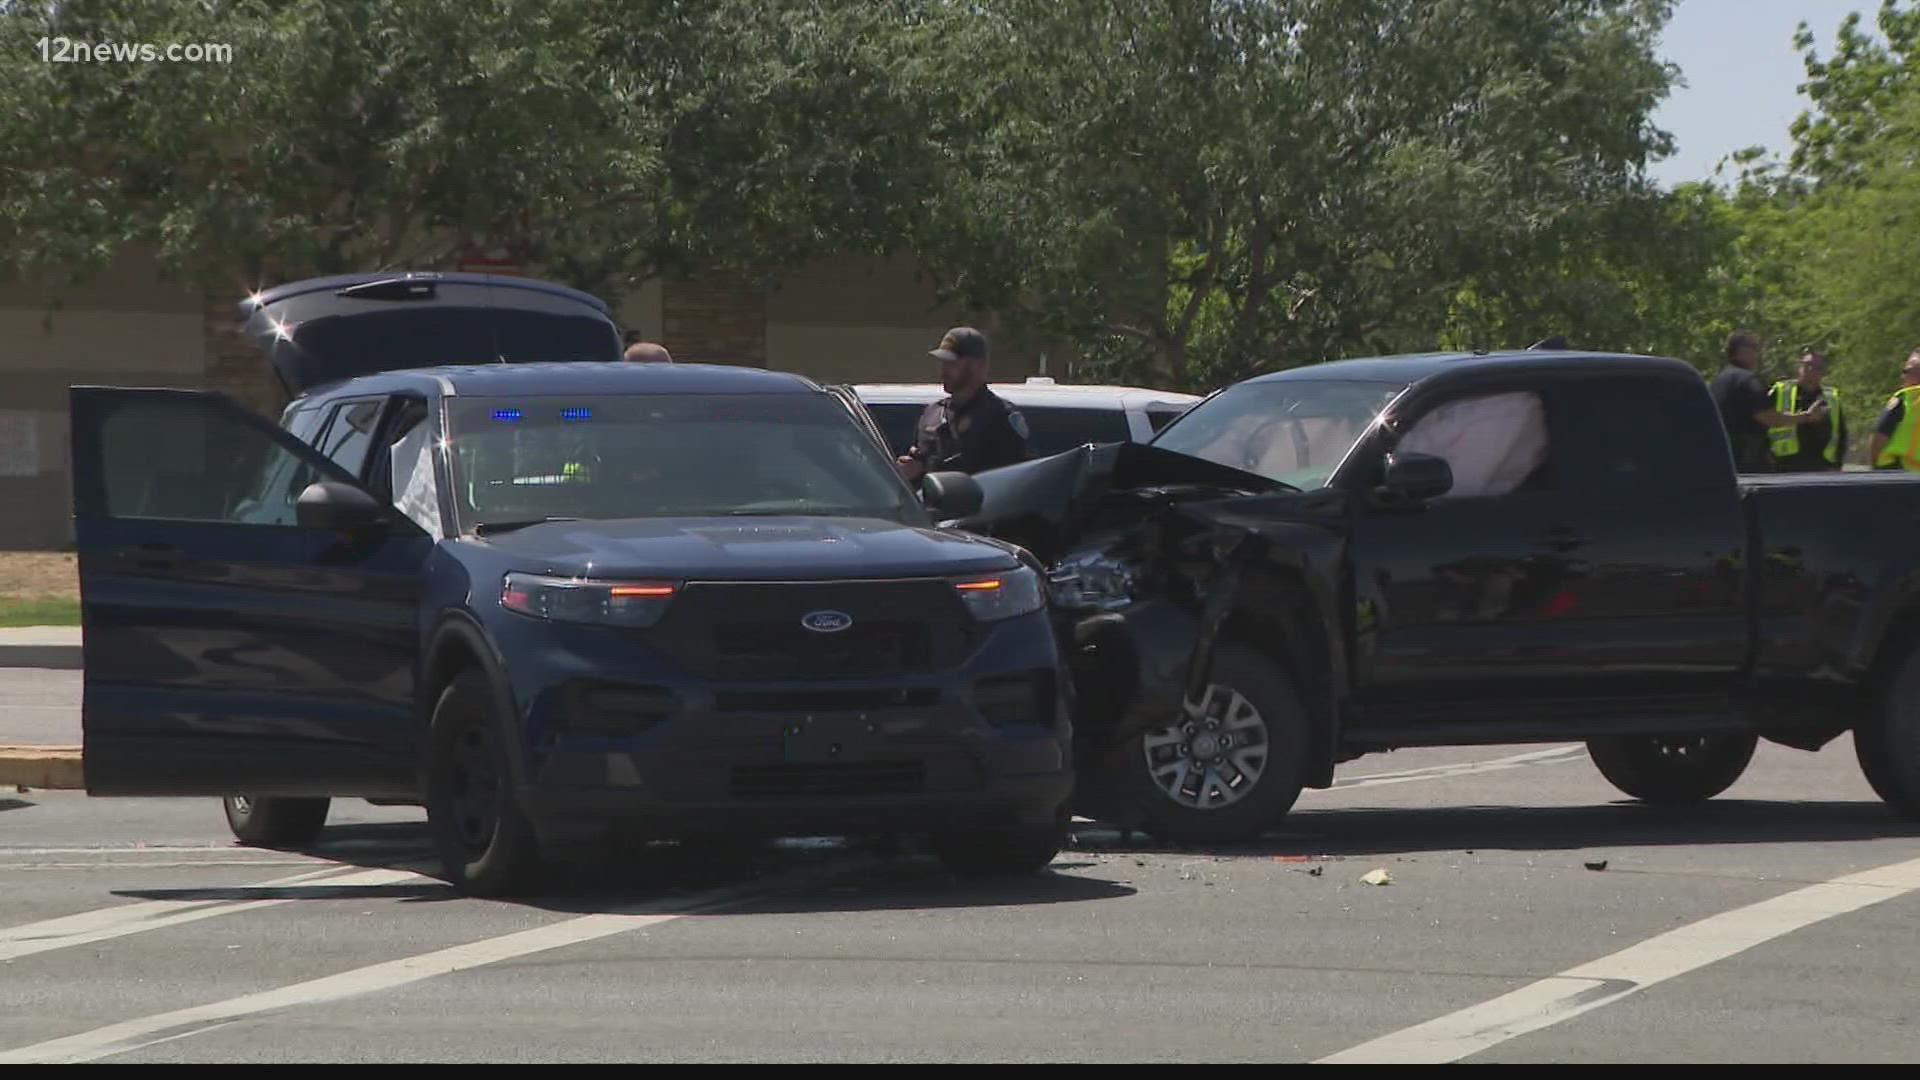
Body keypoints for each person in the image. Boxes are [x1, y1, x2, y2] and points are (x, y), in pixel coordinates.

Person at [896, 327, 1032, 480]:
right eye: (942, 362)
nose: (943, 370)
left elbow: (1012, 479)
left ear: (977, 366)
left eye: (952, 363)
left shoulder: (999, 416)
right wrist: (911, 469)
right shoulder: (932, 413)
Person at [1709, 330, 1826, 473]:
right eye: (1754, 348)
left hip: (1722, 460)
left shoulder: (1720, 381)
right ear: (1742, 350)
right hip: (1747, 465)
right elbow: (1768, 418)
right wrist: (1807, 416)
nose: (1758, 354)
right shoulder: (1748, 380)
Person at [1767, 350, 1846, 472]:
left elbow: (1841, 434)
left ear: (1822, 372)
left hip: (1821, 466)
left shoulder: (1831, 397)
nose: (1811, 370)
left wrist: (1837, 465)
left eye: (1816, 367)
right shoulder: (1782, 391)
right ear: (1799, 367)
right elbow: (1764, 422)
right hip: (1784, 466)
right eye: (1807, 365)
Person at [1868, 349, 1920, 470]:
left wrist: (1873, 469)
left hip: (1896, 472)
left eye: (1906, 371)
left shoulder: (1906, 397)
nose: (1902, 376)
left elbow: (1878, 438)